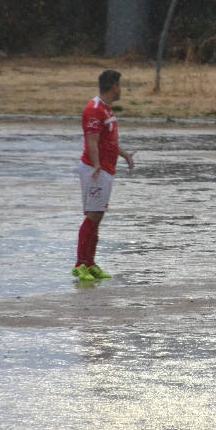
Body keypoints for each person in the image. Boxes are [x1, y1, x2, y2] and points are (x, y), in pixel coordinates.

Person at [74, 69, 136, 281]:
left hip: (106, 169)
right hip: (95, 170)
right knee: (93, 215)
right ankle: (81, 264)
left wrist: (124, 154)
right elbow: (91, 141)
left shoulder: (107, 110)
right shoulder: (94, 110)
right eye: (120, 85)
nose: (121, 89)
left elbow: (107, 141)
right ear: (113, 86)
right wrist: (97, 165)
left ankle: (91, 263)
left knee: (98, 216)